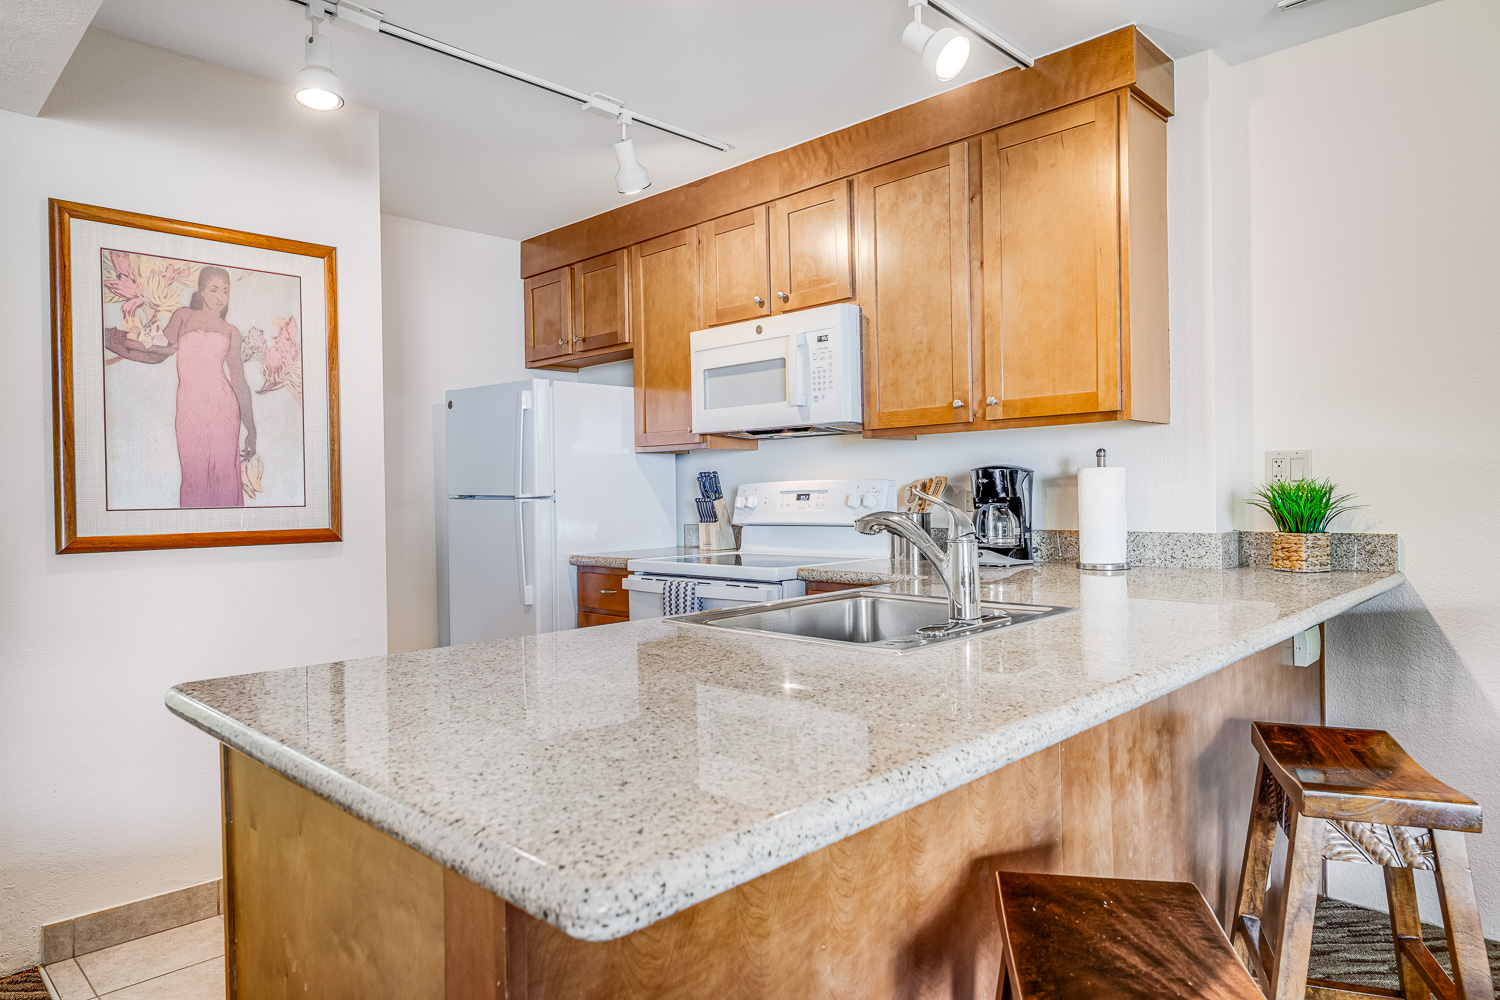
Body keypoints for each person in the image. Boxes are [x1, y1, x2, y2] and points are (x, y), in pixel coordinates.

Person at [106, 266, 256, 507]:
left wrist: (251, 428)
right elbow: (157, 353)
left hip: (223, 410)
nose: (220, 297)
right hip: (189, 409)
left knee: (225, 476)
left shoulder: (231, 331)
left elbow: (239, 381)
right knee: (194, 477)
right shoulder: (184, 316)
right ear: (201, 292)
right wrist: (117, 343)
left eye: (225, 292)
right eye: (214, 290)